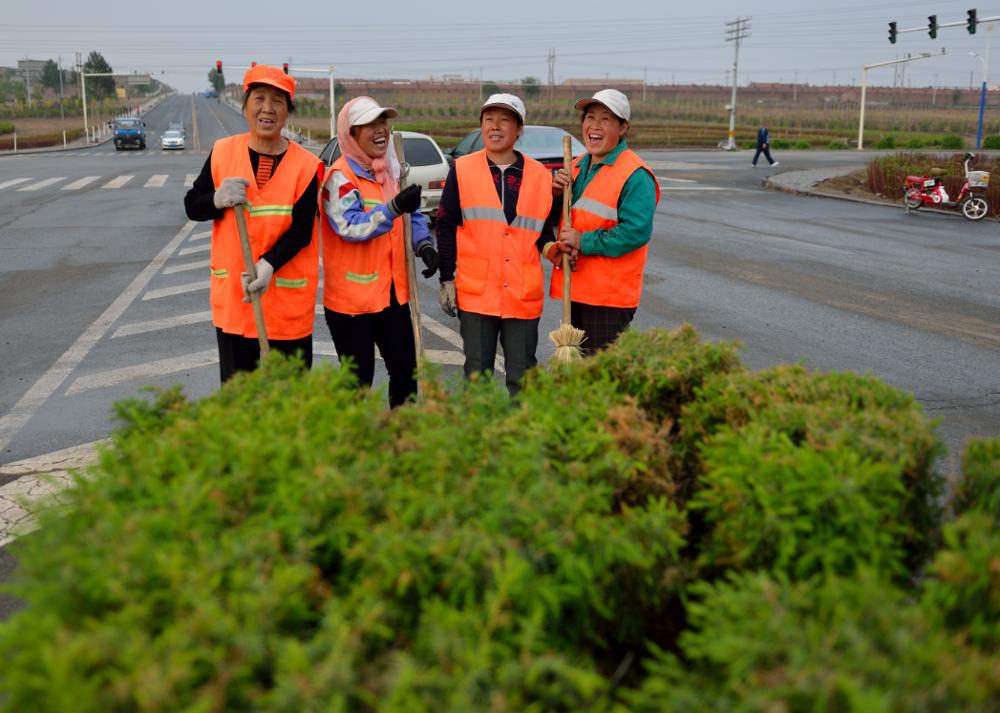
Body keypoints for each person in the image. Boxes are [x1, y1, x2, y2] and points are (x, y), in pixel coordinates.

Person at [184, 64, 322, 384]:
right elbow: (193, 205)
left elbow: (302, 231)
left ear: (288, 111)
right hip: (237, 302)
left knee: (291, 405)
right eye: (259, 98)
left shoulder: (306, 166)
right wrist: (216, 200)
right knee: (239, 404)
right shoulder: (222, 153)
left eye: (278, 101)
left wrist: (269, 263)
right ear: (245, 105)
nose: (267, 109)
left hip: (287, 305)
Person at [436, 93, 557, 397]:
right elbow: (446, 225)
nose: (495, 126)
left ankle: (518, 437)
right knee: (477, 375)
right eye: (489, 119)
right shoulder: (462, 170)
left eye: (505, 120)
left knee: (522, 376)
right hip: (478, 294)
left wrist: (553, 250)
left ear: (519, 130)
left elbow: (542, 233)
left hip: (521, 293)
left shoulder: (540, 176)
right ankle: (479, 438)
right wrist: (446, 278)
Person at [320, 96, 438, 408]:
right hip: (352, 304)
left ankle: (401, 440)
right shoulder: (340, 177)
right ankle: (352, 445)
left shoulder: (388, 172)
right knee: (357, 382)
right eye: (369, 125)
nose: (379, 130)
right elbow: (350, 226)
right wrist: (392, 209)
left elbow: (410, 216)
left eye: (383, 122)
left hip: (393, 296)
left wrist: (423, 243)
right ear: (351, 134)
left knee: (405, 375)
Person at [550, 89, 660, 354]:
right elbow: (563, 219)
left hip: (609, 298)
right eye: (590, 117)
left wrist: (583, 241)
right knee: (578, 377)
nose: (594, 126)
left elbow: (636, 232)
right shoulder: (575, 167)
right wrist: (554, 195)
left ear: (623, 127)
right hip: (576, 290)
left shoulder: (635, 174)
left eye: (606, 119)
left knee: (602, 378)